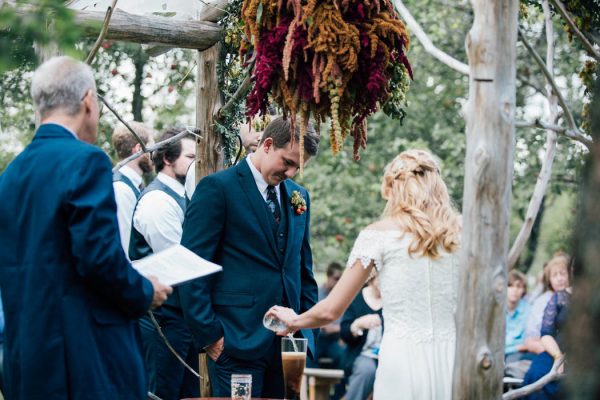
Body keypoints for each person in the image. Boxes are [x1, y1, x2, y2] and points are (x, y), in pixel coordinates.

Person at [0, 56, 172, 399]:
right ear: (89, 101)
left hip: (26, 363)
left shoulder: (10, 176)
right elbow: (99, 260)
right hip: (84, 362)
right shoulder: (87, 161)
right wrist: (144, 291)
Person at [267, 149, 461, 400]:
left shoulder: (378, 235)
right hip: (454, 359)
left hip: (401, 361)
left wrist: (294, 320)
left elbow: (330, 311)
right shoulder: (462, 233)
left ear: (394, 188)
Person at [179, 116, 321, 398]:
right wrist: (213, 338)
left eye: (298, 167)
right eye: (288, 162)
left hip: (288, 347)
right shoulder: (218, 189)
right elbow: (191, 268)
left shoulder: (299, 196)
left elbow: (302, 270)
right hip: (235, 342)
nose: (291, 173)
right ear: (267, 145)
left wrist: (307, 333)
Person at [129, 128, 197, 400]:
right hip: (162, 320)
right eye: (190, 156)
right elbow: (181, 262)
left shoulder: (182, 195)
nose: (195, 163)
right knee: (162, 393)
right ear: (168, 159)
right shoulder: (157, 201)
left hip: (180, 318)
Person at [111, 121, 155, 255]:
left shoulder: (134, 184)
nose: (155, 154)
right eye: (152, 148)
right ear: (138, 149)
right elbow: (124, 244)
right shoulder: (121, 189)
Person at [522, 287, 571, 400]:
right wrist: (558, 357)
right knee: (537, 374)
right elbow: (546, 334)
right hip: (556, 350)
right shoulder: (559, 297)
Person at [340, 275, 383, 400]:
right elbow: (344, 333)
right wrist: (357, 324)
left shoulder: (392, 300)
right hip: (363, 355)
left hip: (388, 355)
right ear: (372, 279)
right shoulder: (356, 299)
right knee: (367, 369)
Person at [522, 253, 570, 354]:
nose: (559, 278)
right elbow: (530, 339)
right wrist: (552, 352)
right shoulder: (541, 301)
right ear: (549, 281)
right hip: (544, 350)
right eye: (555, 275)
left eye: (563, 273)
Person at [505, 270, 530, 363]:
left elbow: (525, 343)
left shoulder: (528, 311)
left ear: (523, 290)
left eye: (518, 286)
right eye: (510, 286)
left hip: (517, 354)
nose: (514, 290)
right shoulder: (496, 309)